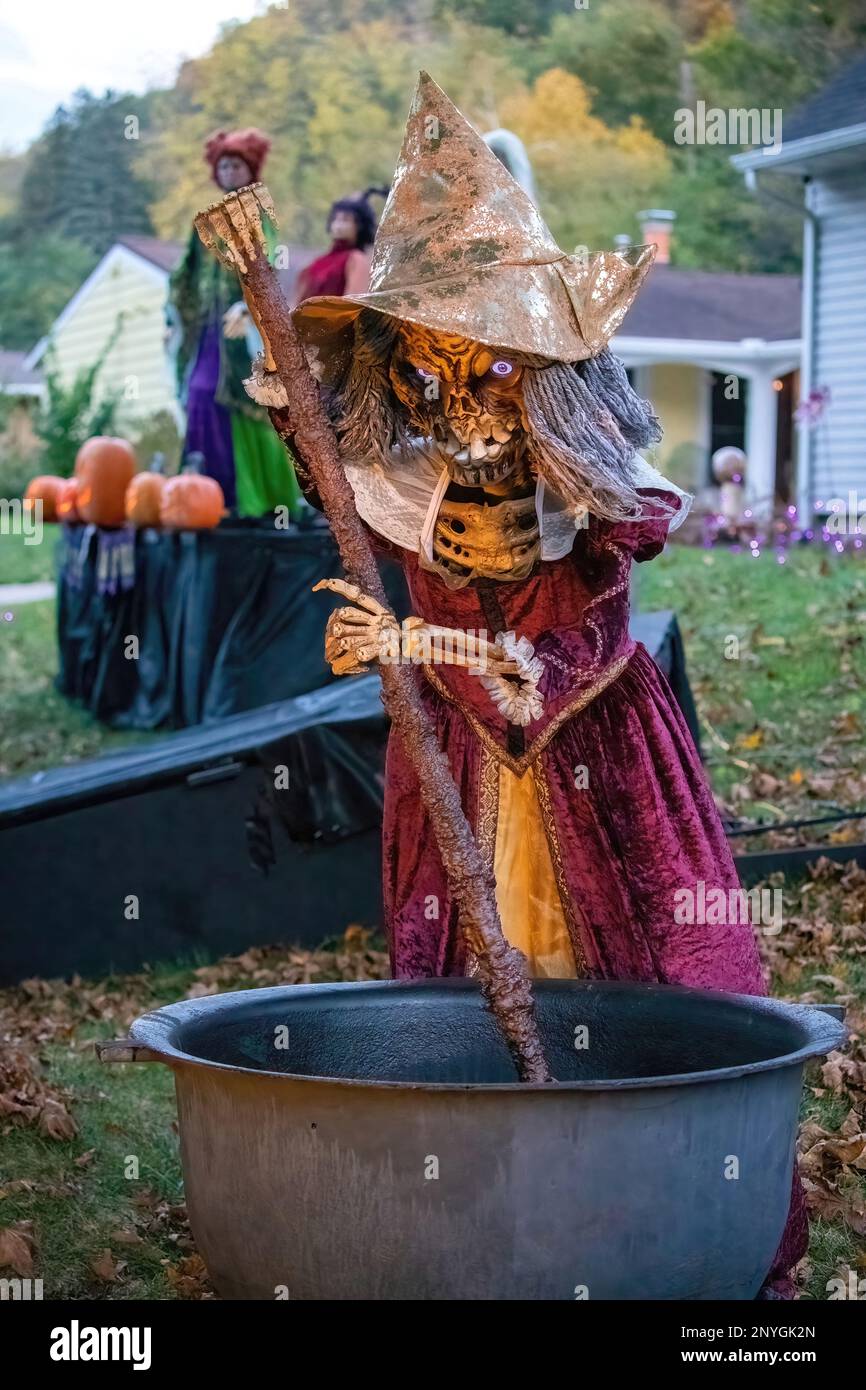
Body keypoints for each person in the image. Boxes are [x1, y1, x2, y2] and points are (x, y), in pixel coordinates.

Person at [256, 73, 806, 1298]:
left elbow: (573, 609)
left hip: (594, 751)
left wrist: (447, 648)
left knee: (647, 961)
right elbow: (331, 468)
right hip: (449, 758)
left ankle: (647, 1186)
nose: (464, 393)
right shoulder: (402, 468)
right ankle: (475, 1187)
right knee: (454, 979)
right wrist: (261, 279)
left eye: (489, 362)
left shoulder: (583, 480)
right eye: (436, 364)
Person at [167, 127, 301, 518]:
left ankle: (256, 500)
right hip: (209, 333)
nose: (229, 171)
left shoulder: (257, 212)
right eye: (223, 165)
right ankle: (211, 495)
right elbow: (184, 276)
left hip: (244, 332)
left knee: (246, 400)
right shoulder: (204, 224)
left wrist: (250, 308)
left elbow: (268, 262)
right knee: (199, 395)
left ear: (250, 169)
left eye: (236, 164)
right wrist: (171, 316)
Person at [292, 188, 387, 304]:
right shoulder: (317, 263)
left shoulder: (356, 260)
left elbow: (351, 307)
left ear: (360, 226)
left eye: (346, 219)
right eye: (336, 219)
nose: (338, 224)